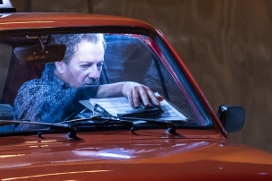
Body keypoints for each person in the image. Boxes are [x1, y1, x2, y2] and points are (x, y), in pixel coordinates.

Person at [13, 33, 161, 122]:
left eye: (99, 65)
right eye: (85, 66)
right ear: (60, 64)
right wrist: (122, 87)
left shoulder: (110, 98)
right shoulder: (31, 91)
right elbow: (68, 99)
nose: (96, 74)